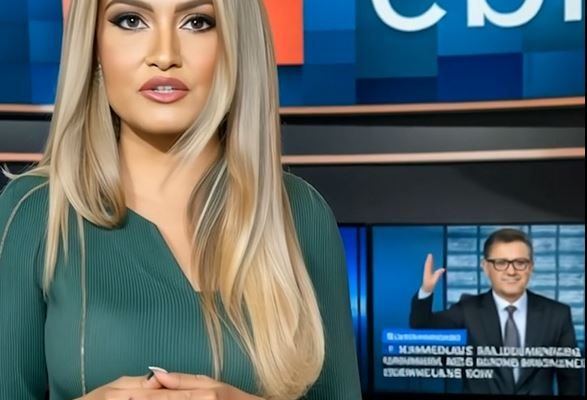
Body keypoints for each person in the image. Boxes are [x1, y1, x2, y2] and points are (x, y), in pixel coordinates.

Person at [0, 0, 362, 399]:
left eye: (197, 22)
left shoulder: (300, 214)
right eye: (131, 20)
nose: (164, 55)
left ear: (237, 43)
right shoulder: (34, 211)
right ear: (93, 45)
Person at [409, 228, 582, 395]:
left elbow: (570, 380)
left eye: (520, 263)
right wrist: (426, 291)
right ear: (485, 267)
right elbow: (421, 328)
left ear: (530, 267)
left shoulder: (558, 314)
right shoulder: (467, 310)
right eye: (501, 263)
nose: (511, 271)